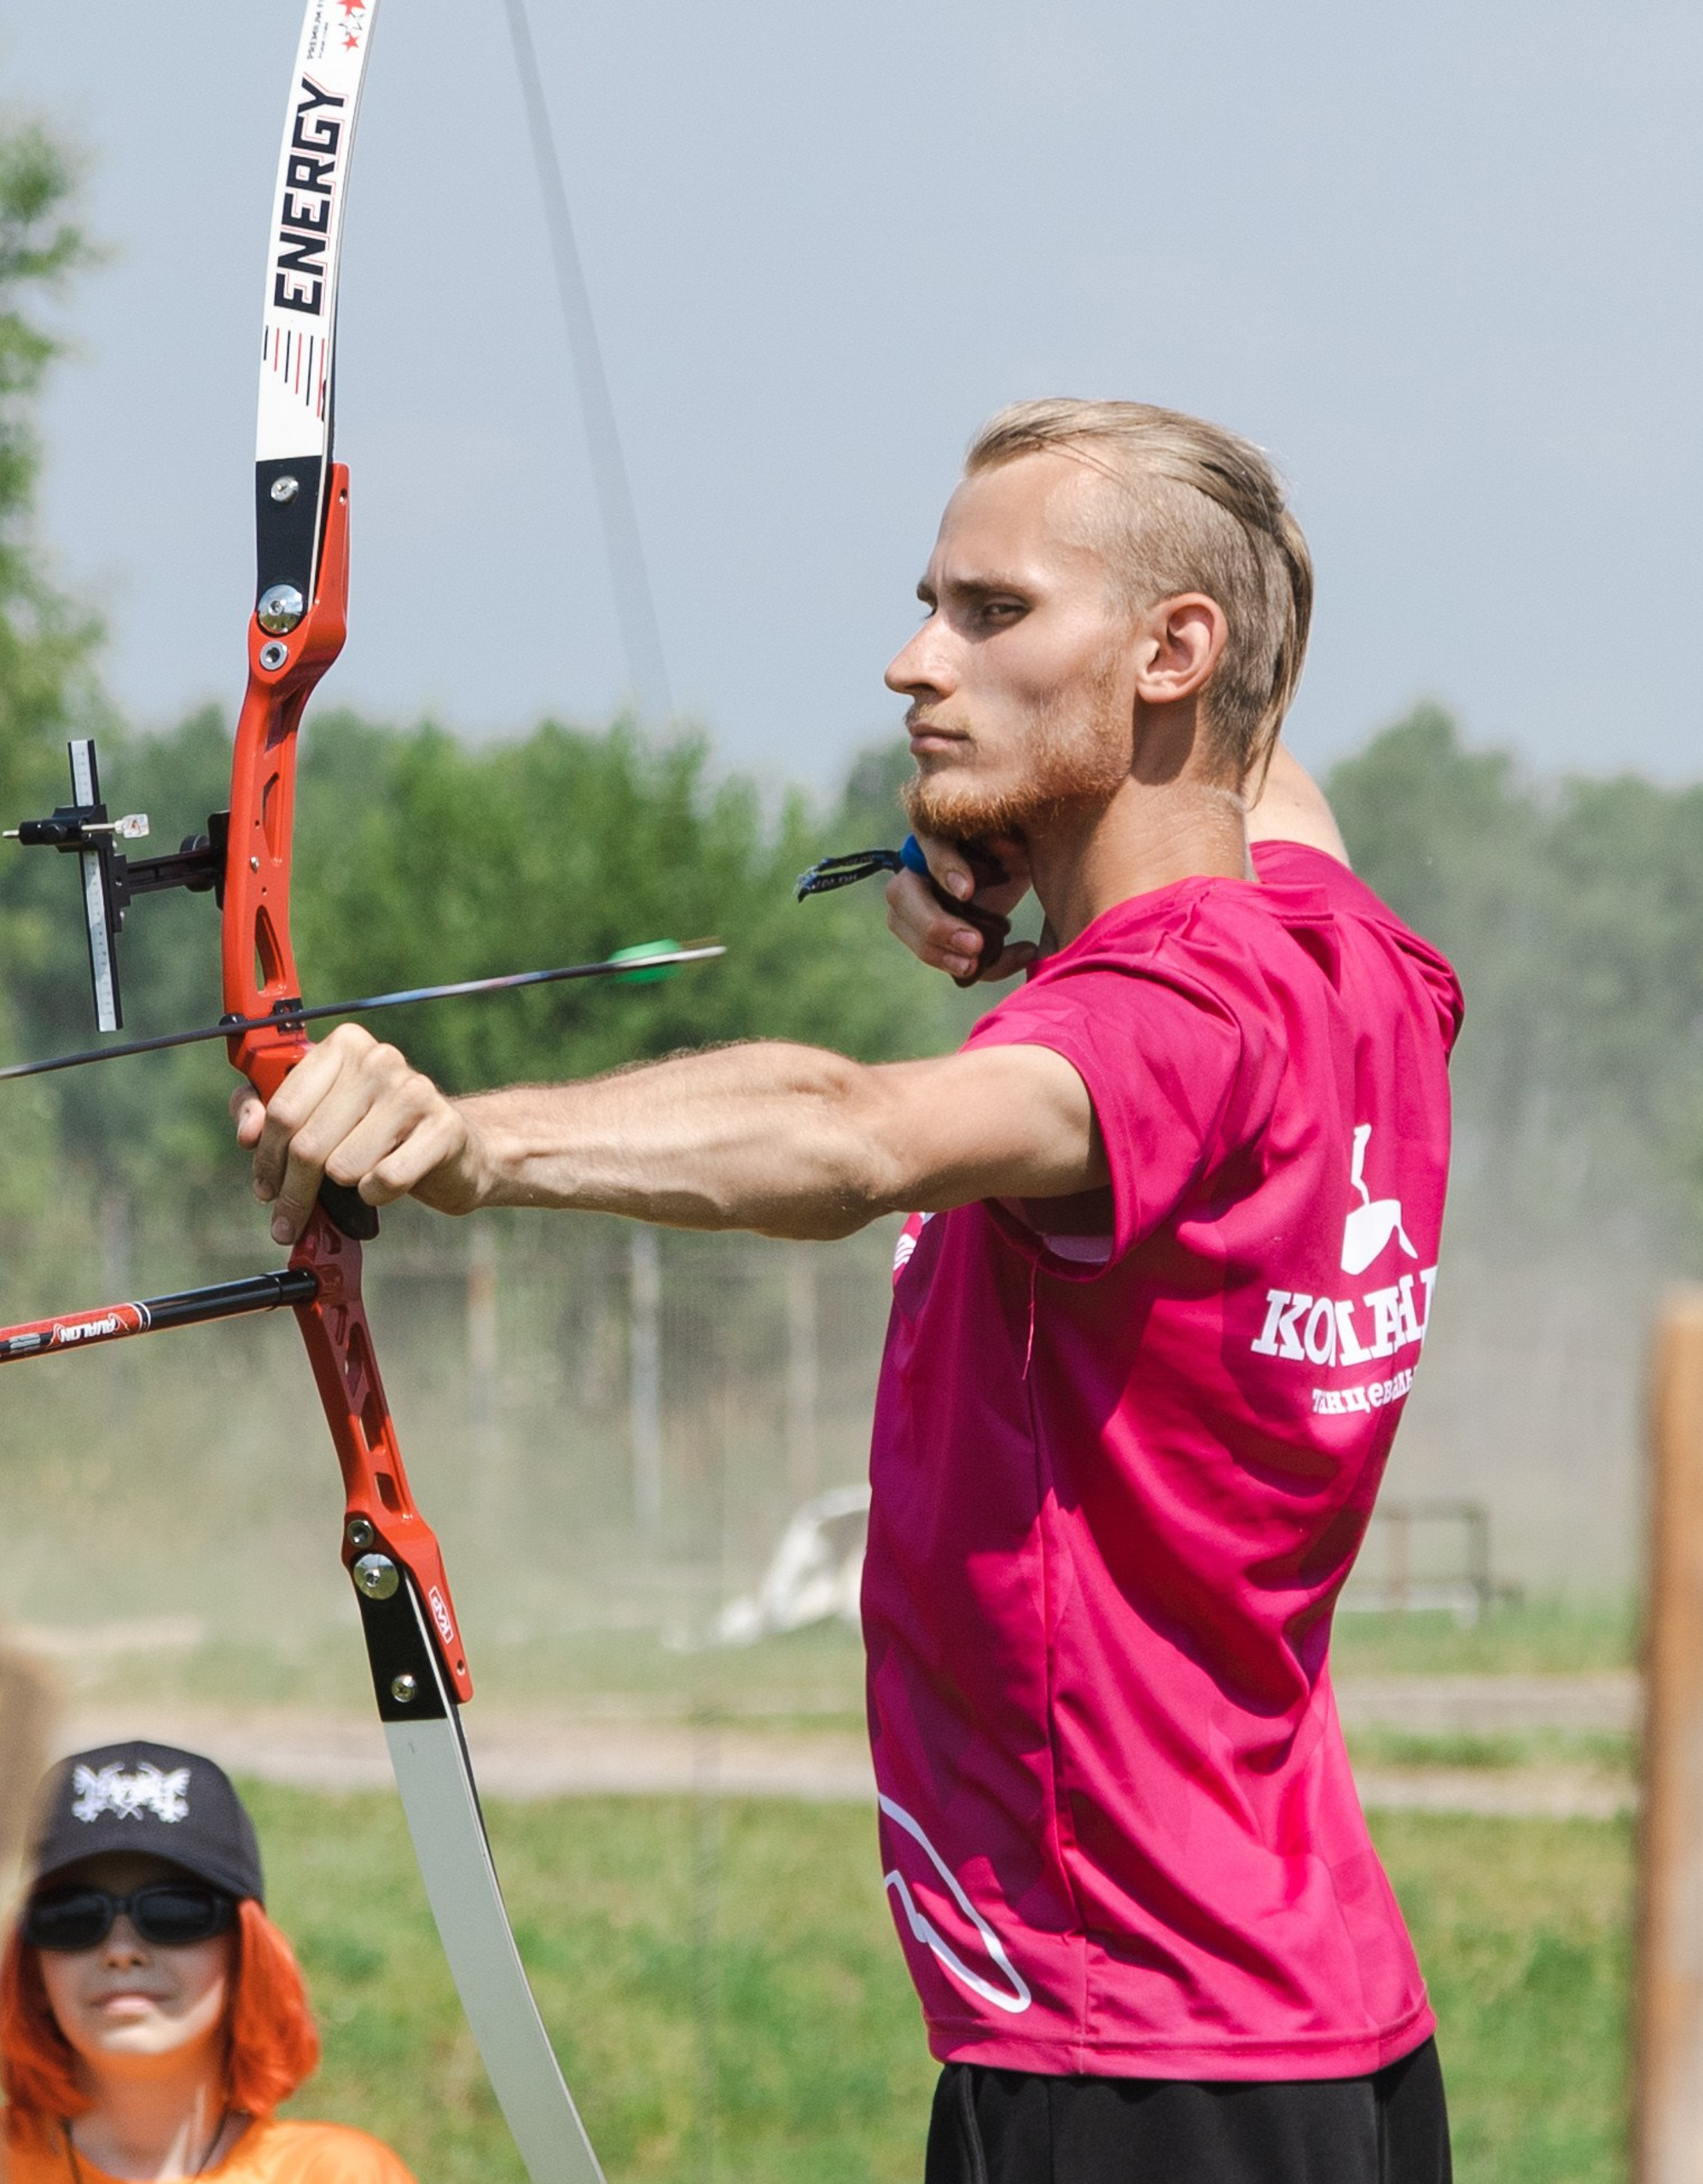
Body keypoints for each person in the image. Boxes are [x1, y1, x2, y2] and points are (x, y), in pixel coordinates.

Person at [231, 399, 1461, 2183]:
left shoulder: (1157, 1023)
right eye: (931, 606)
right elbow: (1262, 782)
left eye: (991, 612)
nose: (913, 663)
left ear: (1170, 650)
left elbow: (855, 1132)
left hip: (1131, 2056)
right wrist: (1026, 850)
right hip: (1317, 2015)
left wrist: (470, 1140)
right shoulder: (1352, 960)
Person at [0, 1740, 413, 2184]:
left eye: (175, 1913)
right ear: (31, 1967)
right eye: (71, 1917)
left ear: (246, 1952)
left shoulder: (339, 2175)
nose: (121, 1951)